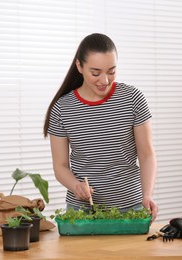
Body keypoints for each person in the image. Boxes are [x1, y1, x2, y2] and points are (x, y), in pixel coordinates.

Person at [43, 33, 158, 222]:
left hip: (131, 207)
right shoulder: (63, 108)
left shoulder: (133, 99)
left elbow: (147, 154)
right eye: (95, 73)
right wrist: (75, 186)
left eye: (111, 71)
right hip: (82, 212)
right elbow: (60, 166)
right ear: (79, 66)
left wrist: (147, 195)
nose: (104, 80)